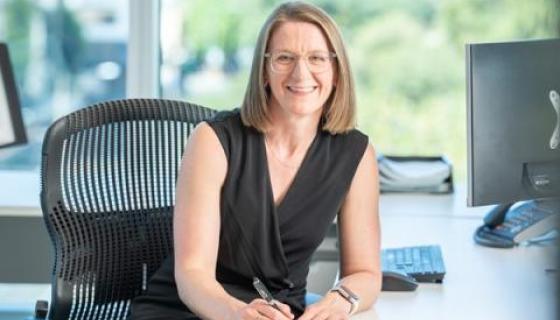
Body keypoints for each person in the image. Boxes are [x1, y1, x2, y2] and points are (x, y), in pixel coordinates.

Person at [130, 1, 381, 319]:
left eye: (317, 58)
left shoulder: (355, 155)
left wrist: (342, 299)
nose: (301, 73)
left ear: (336, 70)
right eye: (284, 58)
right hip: (190, 310)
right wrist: (238, 314)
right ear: (264, 70)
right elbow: (192, 275)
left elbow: (366, 273)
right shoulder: (213, 140)